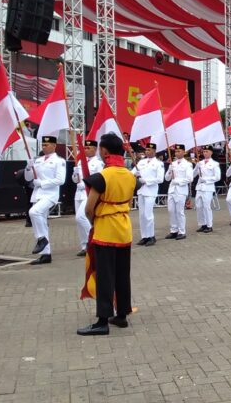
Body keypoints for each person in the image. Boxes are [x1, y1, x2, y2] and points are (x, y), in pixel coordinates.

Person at [77, 133, 137, 336]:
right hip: (124, 228)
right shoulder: (130, 176)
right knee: (122, 274)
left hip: (105, 230)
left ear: (103, 151)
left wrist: (95, 221)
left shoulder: (103, 176)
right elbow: (128, 202)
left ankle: (102, 320)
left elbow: (88, 208)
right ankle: (121, 315)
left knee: (105, 275)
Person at [24, 135, 66, 265]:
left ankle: (41, 239)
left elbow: (60, 180)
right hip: (38, 194)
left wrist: (42, 183)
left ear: (54, 146)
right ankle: (46, 254)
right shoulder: (38, 160)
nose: (44, 147)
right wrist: (28, 167)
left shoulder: (59, 161)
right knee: (41, 220)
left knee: (33, 212)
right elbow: (28, 178)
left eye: (47, 145)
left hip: (50, 194)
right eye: (43, 145)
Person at [72, 140, 104, 256]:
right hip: (79, 193)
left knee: (81, 217)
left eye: (88, 148)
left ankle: (93, 242)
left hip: (89, 192)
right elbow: (75, 180)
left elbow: (99, 179)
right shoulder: (81, 162)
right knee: (79, 221)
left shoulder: (98, 163)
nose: (85, 150)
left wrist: (86, 184)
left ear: (95, 149)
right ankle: (85, 245)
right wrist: (75, 174)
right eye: (84, 148)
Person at [133, 143, 164, 246]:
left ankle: (151, 236)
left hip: (151, 191)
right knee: (142, 215)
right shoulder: (141, 162)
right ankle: (144, 236)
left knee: (148, 214)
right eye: (146, 150)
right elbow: (132, 172)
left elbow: (160, 179)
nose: (147, 151)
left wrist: (146, 181)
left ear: (154, 151)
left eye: (149, 150)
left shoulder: (158, 163)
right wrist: (134, 174)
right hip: (141, 190)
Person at [164, 144, 193, 240]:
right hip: (172, 190)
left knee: (179, 211)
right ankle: (173, 230)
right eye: (176, 151)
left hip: (181, 190)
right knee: (171, 210)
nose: (177, 153)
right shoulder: (173, 164)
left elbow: (190, 178)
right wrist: (169, 170)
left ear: (184, 152)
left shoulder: (188, 164)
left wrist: (178, 181)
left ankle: (182, 231)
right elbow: (167, 178)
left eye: (179, 151)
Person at [193, 145, 220, 233]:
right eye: (204, 152)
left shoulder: (215, 164)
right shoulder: (200, 163)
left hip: (208, 187)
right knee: (199, 206)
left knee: (206, 206)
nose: (205, 153)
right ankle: (202, 224)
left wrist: (207, 180)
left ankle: (209, 225)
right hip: (199, 187)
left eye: (207, 151)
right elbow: (193, 174)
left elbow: (217, 177)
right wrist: (196, 167)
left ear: (211, 152)